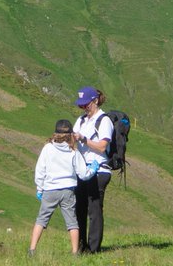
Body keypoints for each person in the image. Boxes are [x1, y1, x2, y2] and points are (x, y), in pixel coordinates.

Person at [29, 119, 91, 256]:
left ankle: (32, 249)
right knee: (72, 222)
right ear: (71, 135)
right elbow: (83, 174)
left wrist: (40, 188)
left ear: (55, 133)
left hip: (50, 189)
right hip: (68, 190)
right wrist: (92, 169)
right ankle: (75, 252)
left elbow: (40, 170)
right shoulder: (73, 151)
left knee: (41, 220)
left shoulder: (48, 148)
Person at [73, 87, 114, 253]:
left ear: (95, 101)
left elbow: (102, 146)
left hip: (99, 170)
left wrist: (84, 139)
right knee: (79, 208)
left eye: (86, 105)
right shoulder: (81, 120)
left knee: (94, 209)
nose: (84, 108)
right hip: (82, 171)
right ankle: (80, 246)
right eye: (81, 105)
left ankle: (94, 249)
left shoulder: (104, 121)